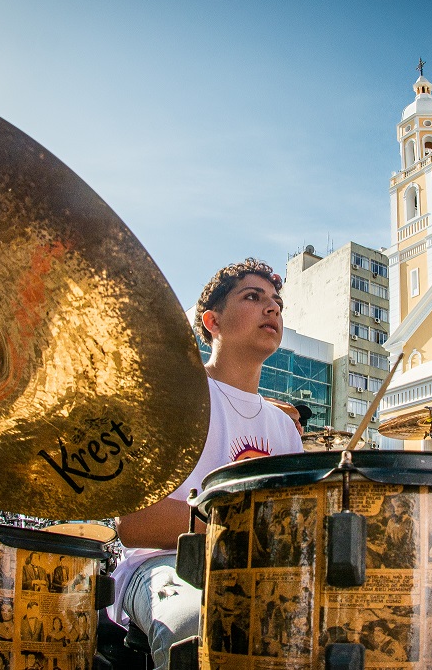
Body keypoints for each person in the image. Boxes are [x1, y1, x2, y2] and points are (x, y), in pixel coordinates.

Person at [112, 259, 303, 669]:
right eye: (253, 297)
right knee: (200, 623)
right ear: (212, 321)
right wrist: (245, 527)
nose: (272, 309)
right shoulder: (175, 398)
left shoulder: (285, 429)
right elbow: (134, 523)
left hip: (256, 573)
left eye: (277, 303)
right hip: (163, 565)